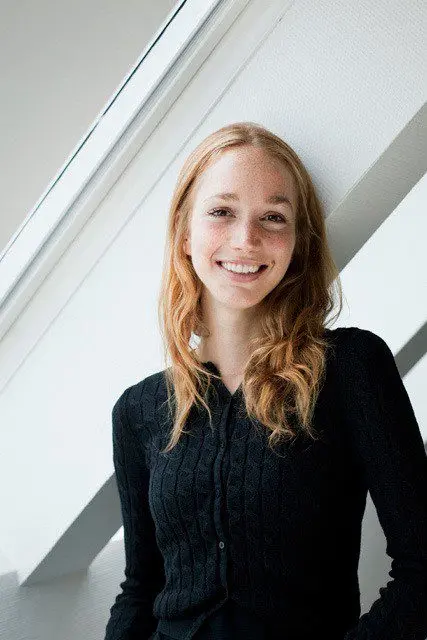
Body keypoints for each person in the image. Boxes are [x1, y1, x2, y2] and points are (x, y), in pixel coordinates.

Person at [104, 122, 427, 639]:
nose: (246, 240)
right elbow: (142, 589)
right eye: (222, 211)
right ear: (185, 234)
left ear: (298, 244)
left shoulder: (350, 368)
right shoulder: (138, 410)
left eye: (273, 217)